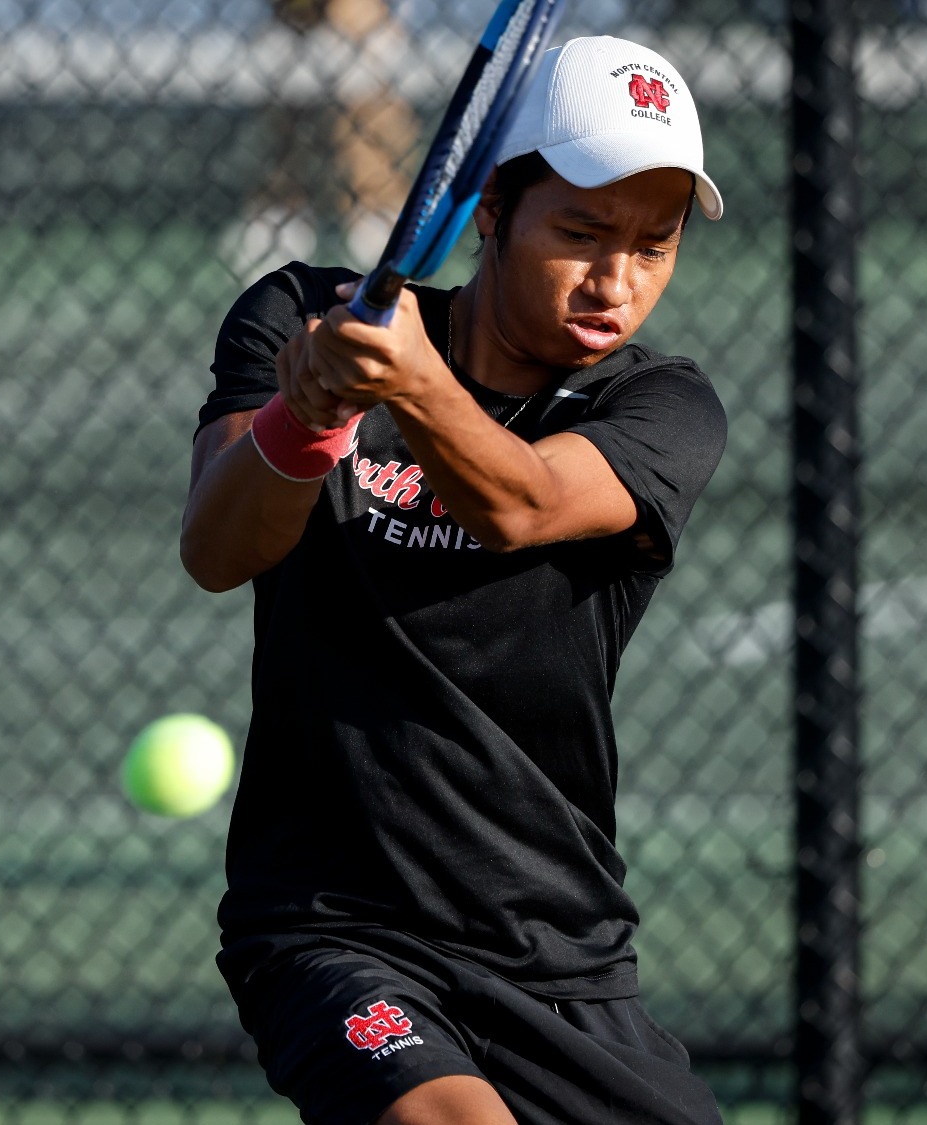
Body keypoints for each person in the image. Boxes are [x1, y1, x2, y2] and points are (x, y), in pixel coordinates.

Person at [182, 35, 729, 1125]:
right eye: (579, 232)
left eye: (651, 246)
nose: (614, 280)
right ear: (487, 212)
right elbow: (218, 547)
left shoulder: (663, 408)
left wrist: (413, 387)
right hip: (331, 929)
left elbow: (519, 502)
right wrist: (309, 419)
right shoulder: (300, 315)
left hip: (557, 952)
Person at [219, 0, 419, 280]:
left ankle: (376, 205)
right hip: (288, 27)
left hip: (361, 28)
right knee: (289, 108)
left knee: (364, 105)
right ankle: (282, 205)